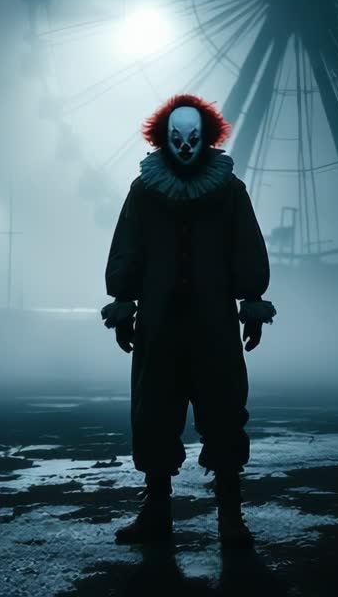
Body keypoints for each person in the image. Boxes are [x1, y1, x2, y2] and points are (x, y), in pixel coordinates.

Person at [101, 93, 276, 547]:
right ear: (165, 137)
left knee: (223, 411)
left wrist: (252, 299)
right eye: (177, 138)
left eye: (192, 138)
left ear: (206, 138)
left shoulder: (229, 191)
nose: (184, 147)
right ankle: (160, 511)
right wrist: (124, 302)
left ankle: (228, 515)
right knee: (154, 413)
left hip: (211, 322)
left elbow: (246, 247)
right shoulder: (145, 191)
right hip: (161, 323)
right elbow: (129, 248)